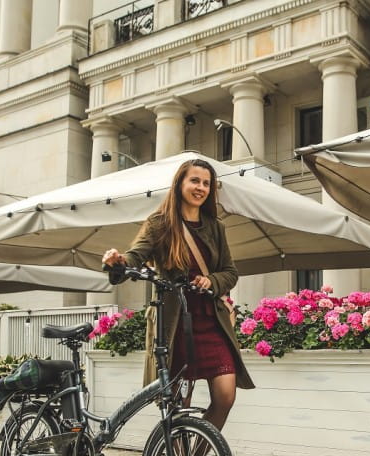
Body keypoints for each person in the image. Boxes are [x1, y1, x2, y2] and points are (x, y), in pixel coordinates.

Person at [102, 158, 255, 437]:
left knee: (225, 396)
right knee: (177, 403)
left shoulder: (215, 226)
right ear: (180, 184)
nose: (201, 187)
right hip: (175, 324)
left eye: (206, 183)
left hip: (210, 321)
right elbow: (136, 256)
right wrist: (119, 262)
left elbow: (230, 273)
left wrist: (212, 280)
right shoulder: (159, 223)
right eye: (194, 180)